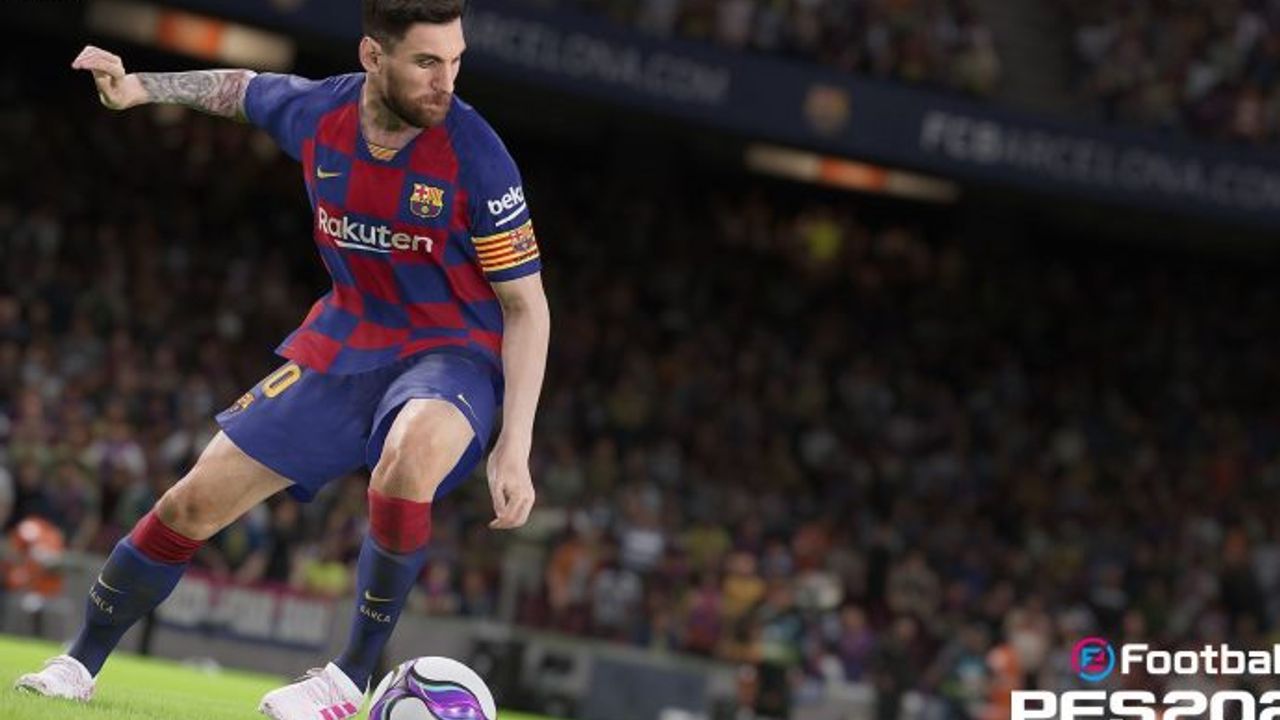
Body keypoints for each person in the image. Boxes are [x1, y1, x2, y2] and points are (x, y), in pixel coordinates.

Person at [14, 1, 551, 718]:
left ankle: (348, 681)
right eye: (427, 62)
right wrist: (138, 86)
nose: (445, 82)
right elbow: (240, 89)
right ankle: (78, 662)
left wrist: (515, 444)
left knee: (410, 453)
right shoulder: (319, 114)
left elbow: (527, 307)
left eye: (455, 62)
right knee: (193, 500)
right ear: (372, 56)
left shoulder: (476, 154)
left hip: (452, 350)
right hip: (345, 339)